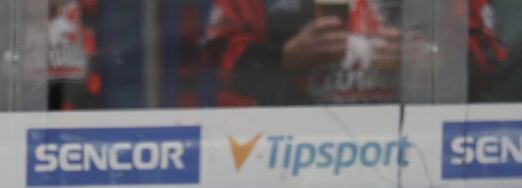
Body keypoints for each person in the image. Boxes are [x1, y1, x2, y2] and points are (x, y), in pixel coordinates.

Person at [205, 0, 505, 106]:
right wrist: (283, 58)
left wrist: (436, 62)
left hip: (421, 150)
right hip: (293, 152)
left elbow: (490, 58)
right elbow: (217, 60)